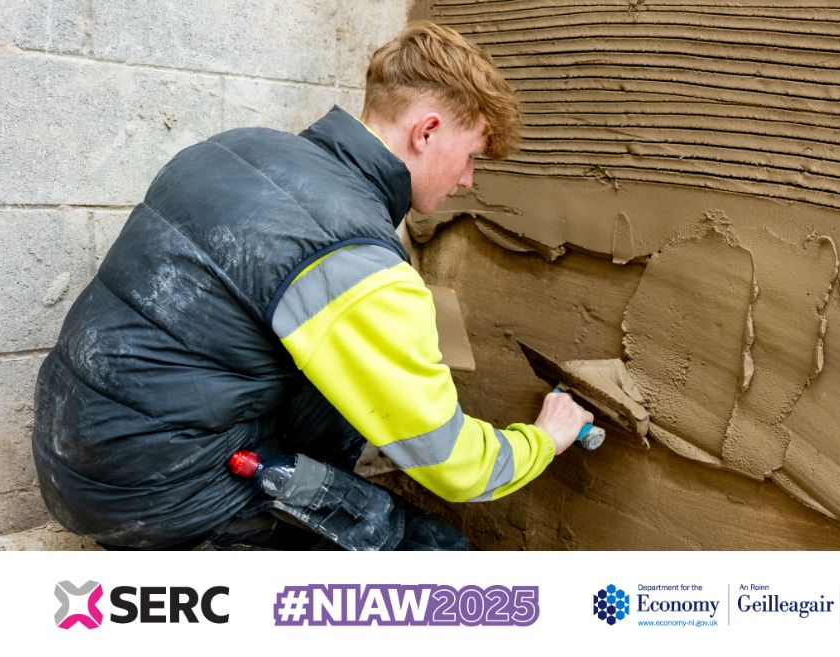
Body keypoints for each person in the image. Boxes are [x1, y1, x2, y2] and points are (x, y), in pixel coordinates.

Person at [31, 21, 593, 550]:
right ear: (427, 131)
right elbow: (456, 469)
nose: (468, 180)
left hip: (74, 445)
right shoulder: (355, 260)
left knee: (346, 398)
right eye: (471, 157)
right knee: (441, 556)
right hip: (154, 493)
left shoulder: (238, 147)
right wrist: (544, 437)